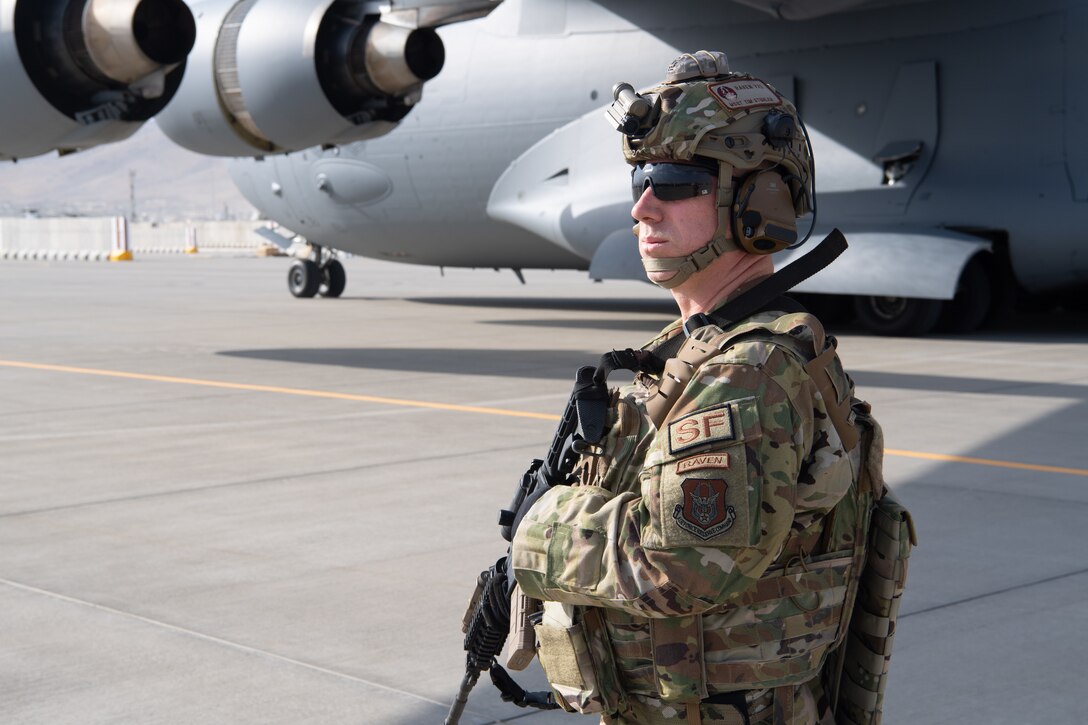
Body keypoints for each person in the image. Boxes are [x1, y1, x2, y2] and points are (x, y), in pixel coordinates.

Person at [507, 51, 876, 725]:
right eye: (639, 180)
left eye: (675, 182)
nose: (643, 206)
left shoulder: (748, 372)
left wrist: (536, 533)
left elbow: (680, 565)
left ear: (758, 199)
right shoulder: (709, 350)